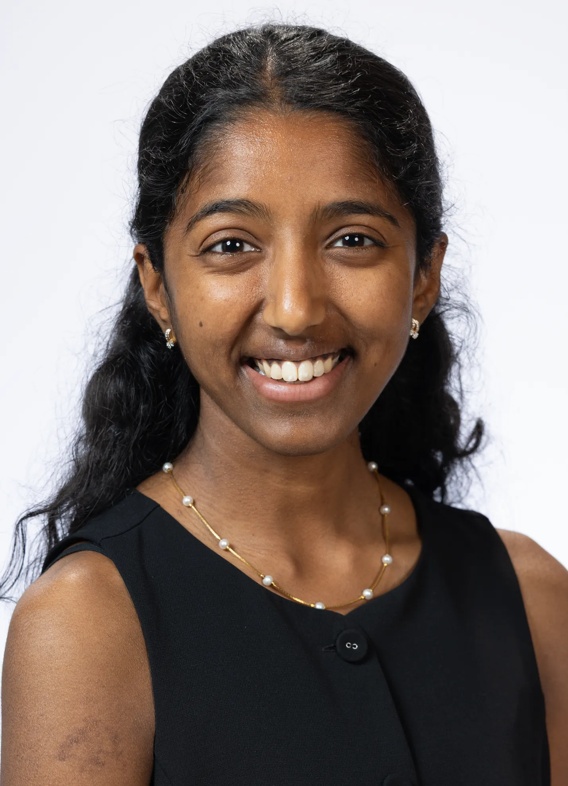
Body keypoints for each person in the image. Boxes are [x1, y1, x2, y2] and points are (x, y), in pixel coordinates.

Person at [1, 23, 566, 786]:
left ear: (424, 276)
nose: (296, 310)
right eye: (232, 245)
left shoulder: (531, 601)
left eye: (353, 240)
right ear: (158, 286)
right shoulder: (88, 625)